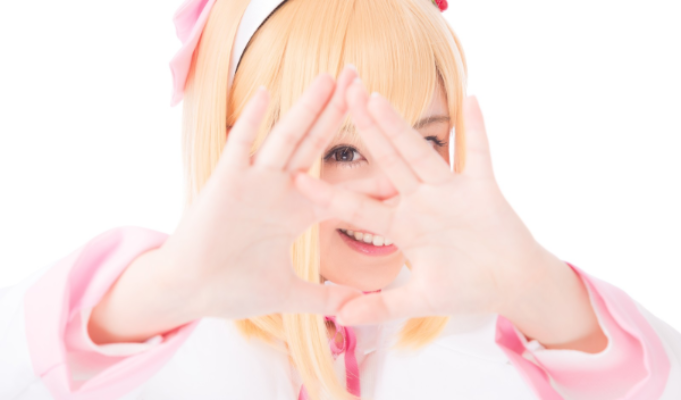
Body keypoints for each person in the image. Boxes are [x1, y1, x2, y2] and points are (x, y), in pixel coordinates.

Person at [1, 0, 680, 398]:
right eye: (343, 151)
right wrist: (159, 295)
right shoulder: (154, 320)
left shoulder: (488, 326)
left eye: (423, 141)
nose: (391, 186)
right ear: (238, 147)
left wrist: (537, 290)